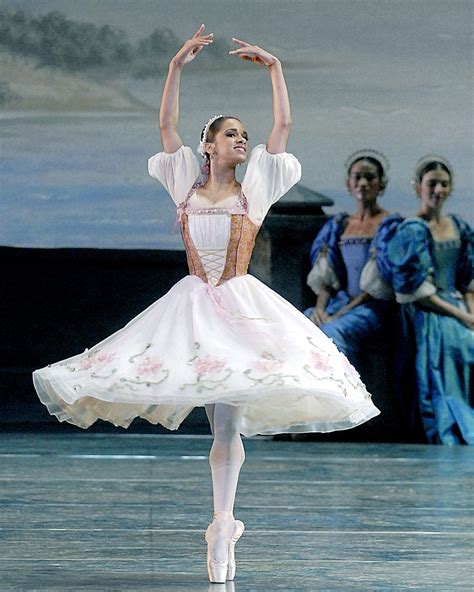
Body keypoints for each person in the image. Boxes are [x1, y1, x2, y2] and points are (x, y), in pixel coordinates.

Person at [32, 26, 380, 583]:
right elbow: (166, 126)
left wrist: (275, 70)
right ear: (209, 145)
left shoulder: (257, 186)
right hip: (193, 309)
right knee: (211, 421)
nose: (243, 140)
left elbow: (284, 128)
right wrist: (175, 67)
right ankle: (222, 526)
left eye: (245, 134)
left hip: (242, 310)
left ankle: (222, 525)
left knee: (227, 427)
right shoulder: (183, 184)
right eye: (232, 134)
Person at [387, 156, 474, 445]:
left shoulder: (458, 226)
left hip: (458, 303)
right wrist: (463, 317)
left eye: (443, 184)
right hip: (429, 309)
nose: (438, 190)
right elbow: (414, 292)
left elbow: (467, 280)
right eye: (431, 184)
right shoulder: (412, 229)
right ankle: (453, 424)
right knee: (453, 341)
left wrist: (471, 313)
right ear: (418, 188)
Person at [306, 151, 402, 368]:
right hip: (341, 301)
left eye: (370, 178)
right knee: (304, 323)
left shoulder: (389, 226)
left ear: (381, 184)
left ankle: (347, 396)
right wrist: (321, 309)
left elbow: (379, 285)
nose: (363, 183)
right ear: (348, 183)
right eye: (357, 177)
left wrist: (341, 313)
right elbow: (328, 277)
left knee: (333, 331)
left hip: (373, 306)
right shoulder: (340, 225)